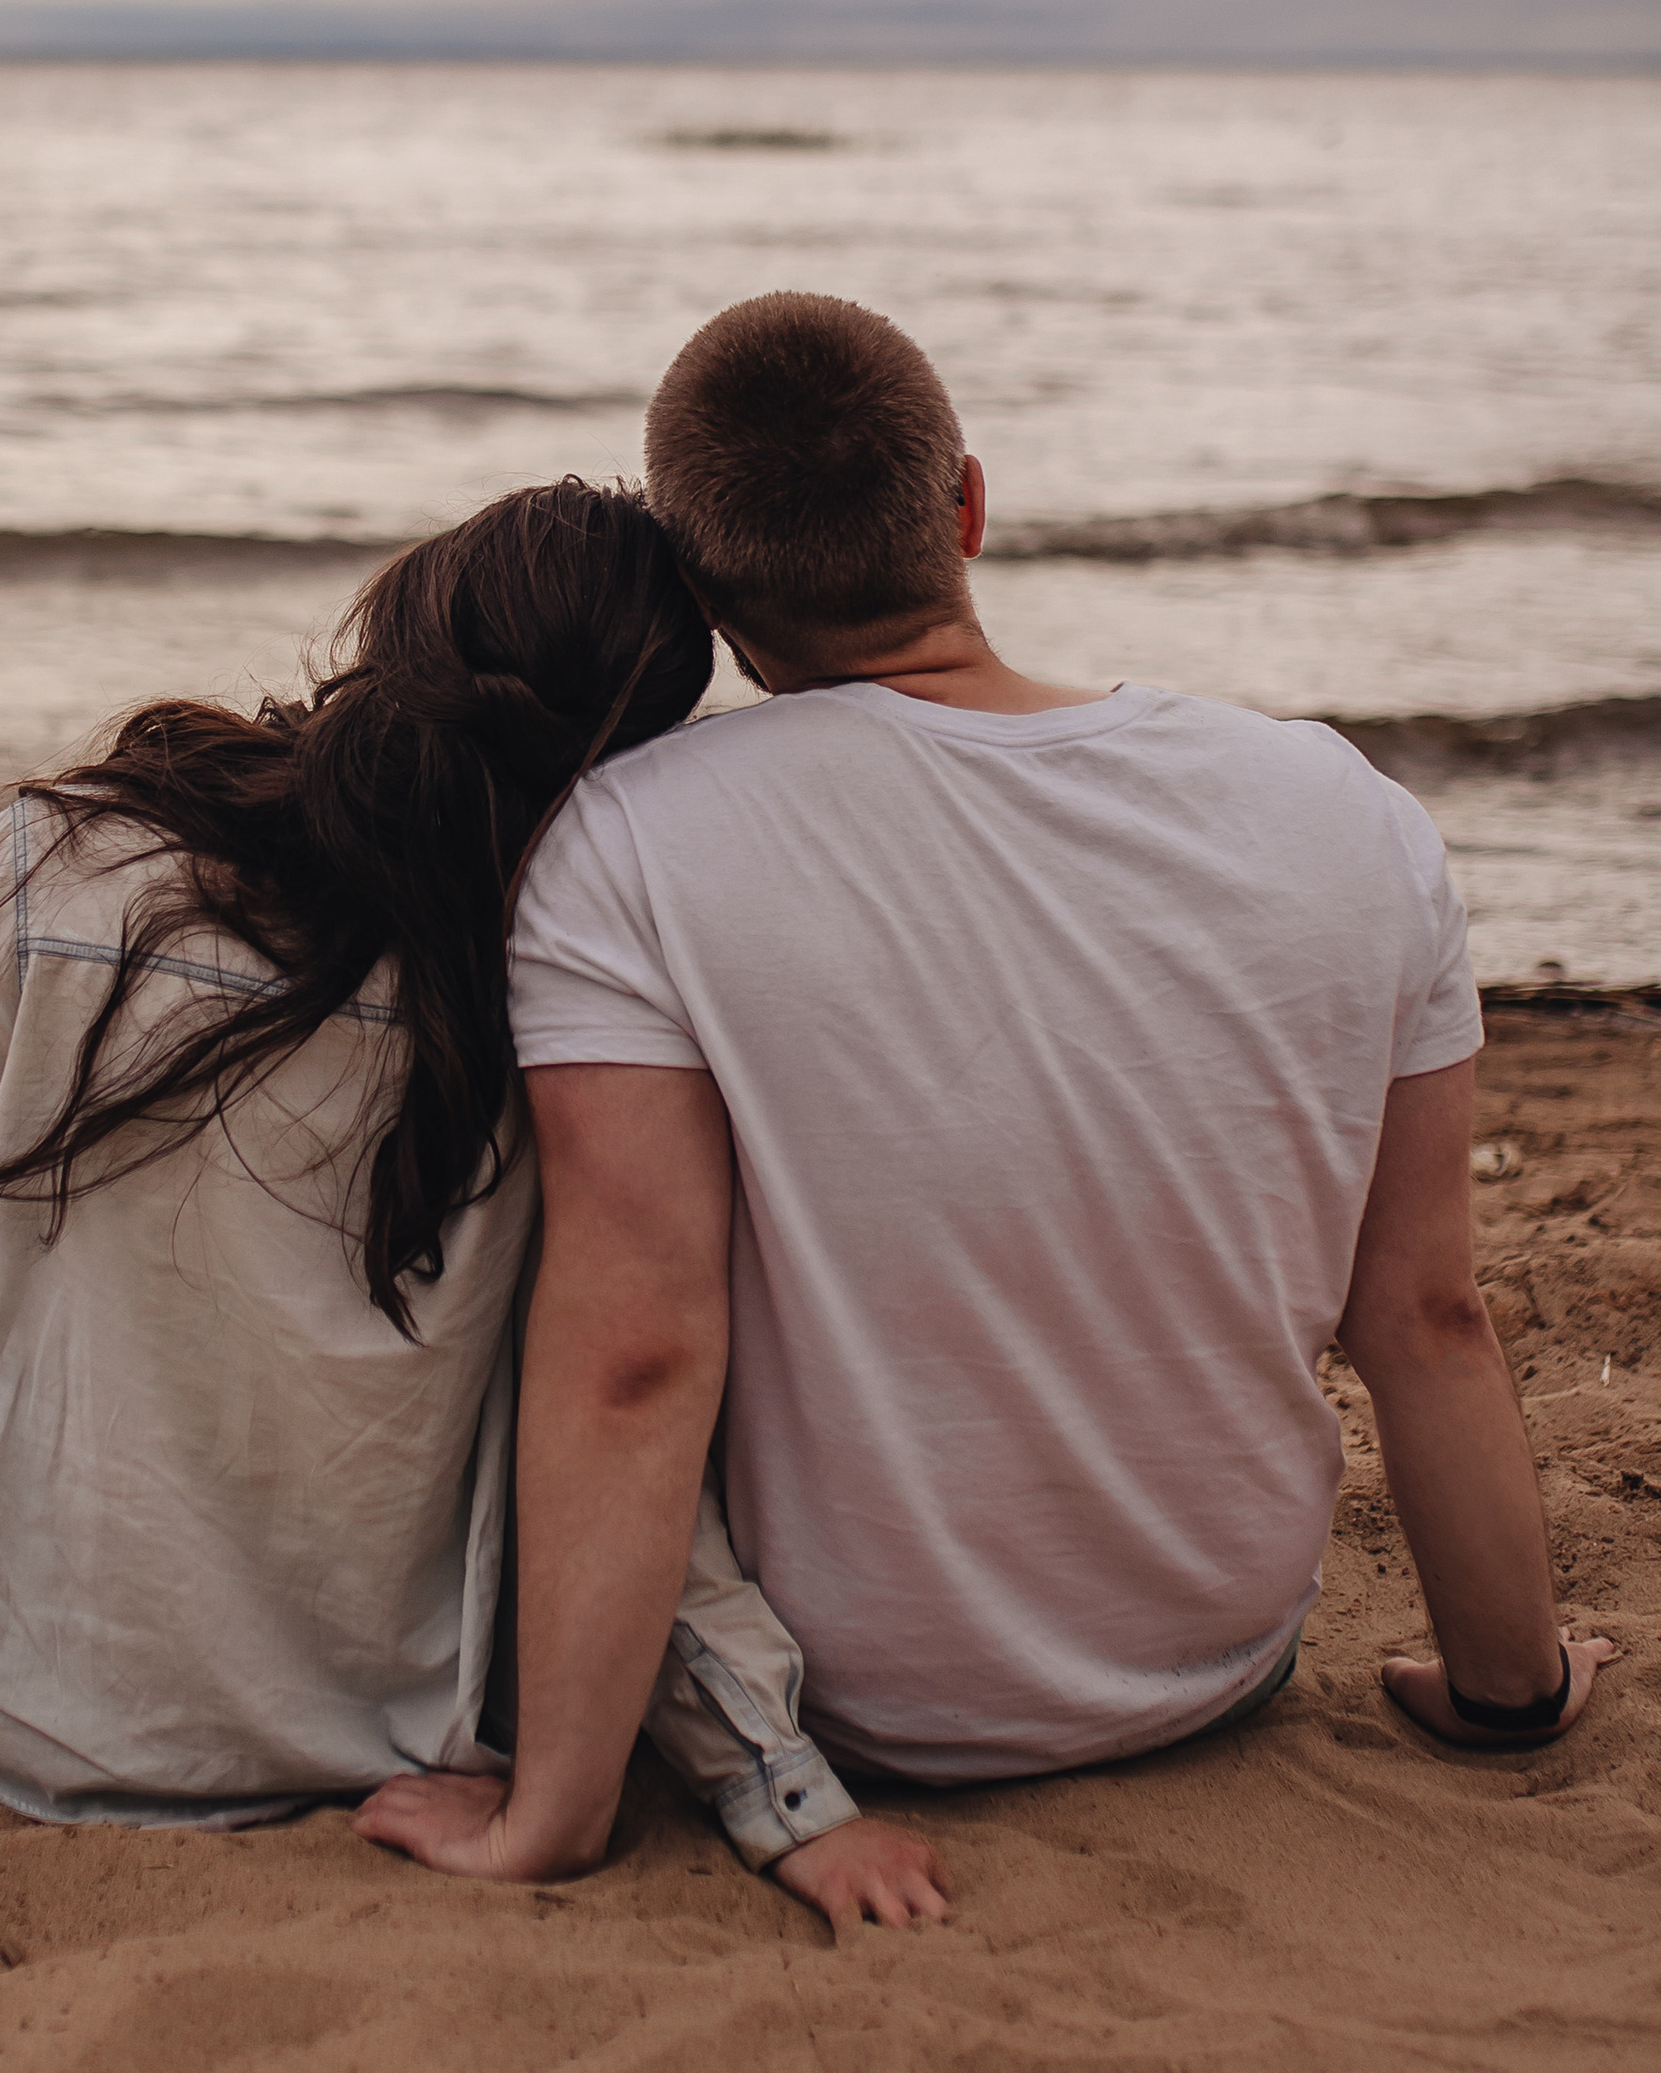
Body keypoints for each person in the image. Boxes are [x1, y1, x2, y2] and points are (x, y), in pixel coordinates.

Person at [357, 294, 1614, 1906]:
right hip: (1215, 1656)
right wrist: (1510, 1691)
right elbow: (1429, 1313)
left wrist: (552, 1819)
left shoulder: (633, 844)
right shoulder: (1342, 810)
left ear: (705, 590)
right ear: (965, 502)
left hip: (861, 1703)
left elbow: (638, 1350)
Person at [0, 479, 916, 1915]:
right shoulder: (570, 1018)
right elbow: (623, 1425)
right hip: (367, 1744)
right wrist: (777, 1789)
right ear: (626, 768)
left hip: (6, 1705)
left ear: (399, 626)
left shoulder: (66, 864)